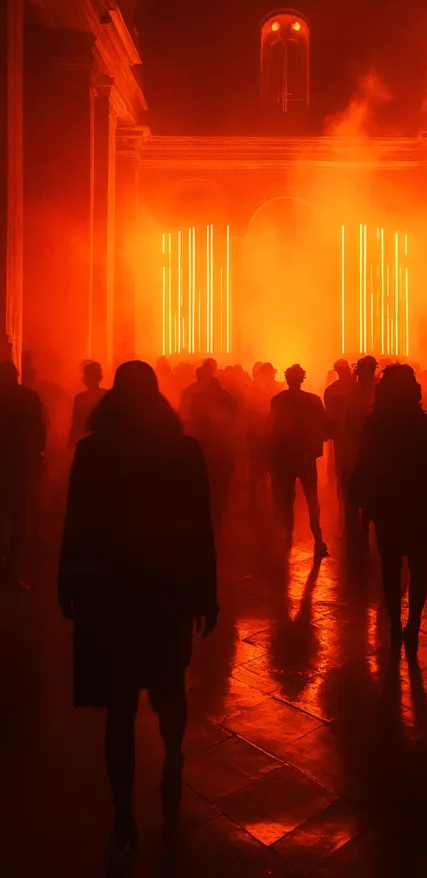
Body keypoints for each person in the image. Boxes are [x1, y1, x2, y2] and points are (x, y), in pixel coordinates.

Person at [58, 361, 218, 861]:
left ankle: (122, 812)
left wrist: (69, 583)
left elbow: (77, 523)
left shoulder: (93, 452)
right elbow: (200, 528)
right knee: (169, 687)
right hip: (165, 590)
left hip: (112, 594)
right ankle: (173, 759)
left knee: (119, 705)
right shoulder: (185, 450)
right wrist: (205, 594)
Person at [351, 364, 427, 651]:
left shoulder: (375, 425)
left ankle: (395, 622)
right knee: (419, 567)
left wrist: (360, 499)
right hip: (422, 506)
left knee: (390, 567)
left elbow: (365, 463)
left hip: (389, 505)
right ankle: (413, 623)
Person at [269, 364, 329, 563]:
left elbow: (272, 426)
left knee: (287, 497)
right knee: (312, 497)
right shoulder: (313, 400)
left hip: (285, 455)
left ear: (287, 379)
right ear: (302, 379)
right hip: (306, 456)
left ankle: (288, 535)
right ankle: (318, 540)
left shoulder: (278, 400)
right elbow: (324, 426)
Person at [0, 360, 45, 577]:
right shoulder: (29, 398)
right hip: (20, 459)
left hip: (8, 459)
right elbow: (39, 428)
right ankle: (13, 563)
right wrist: (39, 453)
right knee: (18, 511)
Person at [181, 358, 238, 525]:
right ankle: (216, 519)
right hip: (216, 448)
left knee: (205, 486)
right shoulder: (223, 394)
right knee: (218, 488)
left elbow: (183, 419)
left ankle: (207, 519)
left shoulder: (191, 393)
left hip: (205, 447)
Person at [344, 355, 378, 543]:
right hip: (367, 448)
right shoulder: (377, 389)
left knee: (361, 490)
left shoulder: (357, 391)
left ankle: (361, 531)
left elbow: (350, 422)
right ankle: (363, 530)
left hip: (365, 448)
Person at [324, 358, 354, 521]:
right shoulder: (360, 388)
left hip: (343, 441)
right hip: (354, 440)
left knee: (344, 479)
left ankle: (347, 518)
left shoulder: (331, 391)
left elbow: (328, 418)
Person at [247, 362, 280, 509]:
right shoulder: (259, 388)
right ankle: (259, 497)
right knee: (260, 466)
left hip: (266, 432)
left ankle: (262, 497)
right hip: (262, 432)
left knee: (265, 467)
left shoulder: (274, 388)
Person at [68, 361, 106, 450]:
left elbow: (76, 421)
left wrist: (72, 439)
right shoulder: (106, 395)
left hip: (89, 438)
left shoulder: (80, 398)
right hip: (99, 438)